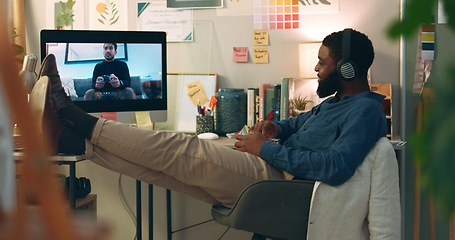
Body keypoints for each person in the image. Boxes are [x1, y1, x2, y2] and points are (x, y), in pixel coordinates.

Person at [39, 29, 397, 239]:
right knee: (160, 170)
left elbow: (335, 166)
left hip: (282, 182)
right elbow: (295, 126)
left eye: (322, 62)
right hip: (271, 170)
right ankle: (69, 140)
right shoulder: (334, 103)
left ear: (347, 68)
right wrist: (272, 128)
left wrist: (265, 150)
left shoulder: (366, 110)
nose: (316, 69)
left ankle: (70, 114)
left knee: (175, 147)